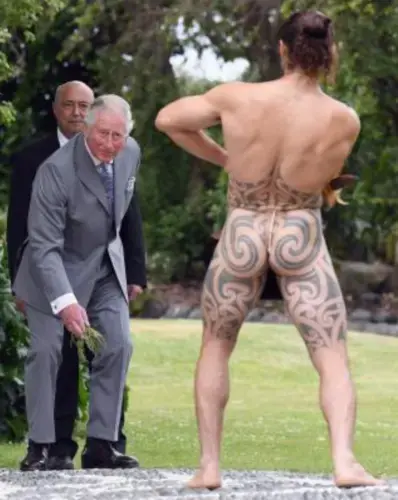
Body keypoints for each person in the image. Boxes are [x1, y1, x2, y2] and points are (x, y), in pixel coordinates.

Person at [155, 10, 383, 490]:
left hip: (243, 229)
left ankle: (210, 466)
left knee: (216, 346)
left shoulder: (238, 97)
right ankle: (344, 461)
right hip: (299, 233)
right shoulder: (345, 119)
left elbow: (168, 119)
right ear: (329, 54)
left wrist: (224, 157)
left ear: (282, 50)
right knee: (332, 356)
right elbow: (322, 178)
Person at [12, 94, 146, 472]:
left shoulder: (131, 152)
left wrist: (132, 267)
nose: (110, 144)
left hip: (104, 266)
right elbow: (44, 245)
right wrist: (65, 302)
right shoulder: (55, 171)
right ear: (86, 129)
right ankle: (40, 445)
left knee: (119, 344)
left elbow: (122, 214)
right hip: (49, 272)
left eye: (117, 135)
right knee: (47, 351)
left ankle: (102, 444)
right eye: (103, 133)